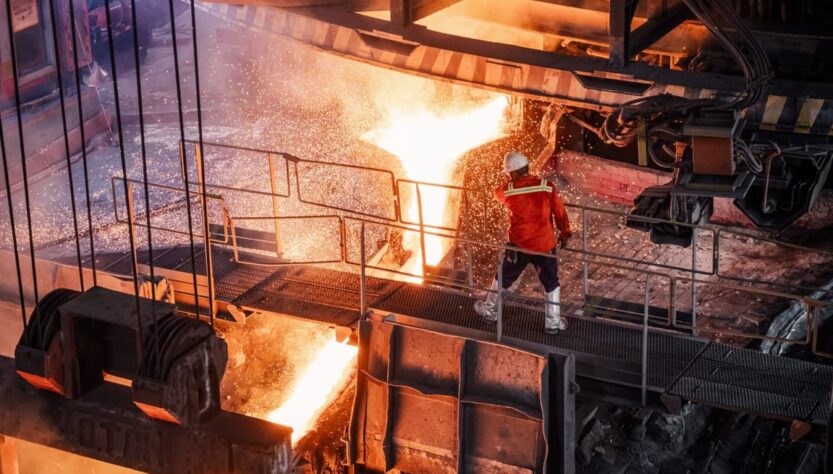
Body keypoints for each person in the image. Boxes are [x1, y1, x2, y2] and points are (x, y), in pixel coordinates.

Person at [474, 151, 572, 334]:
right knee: (551, 283)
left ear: (512, 172)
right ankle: (553, 323)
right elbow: (559, 212)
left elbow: (497, 194)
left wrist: (511, 183)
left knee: (503, 277)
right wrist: (565, 233)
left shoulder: (508, 189)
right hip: (544, 246)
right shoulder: (546, 186)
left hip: (519, 246)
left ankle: (490, 311)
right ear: (527, 167)